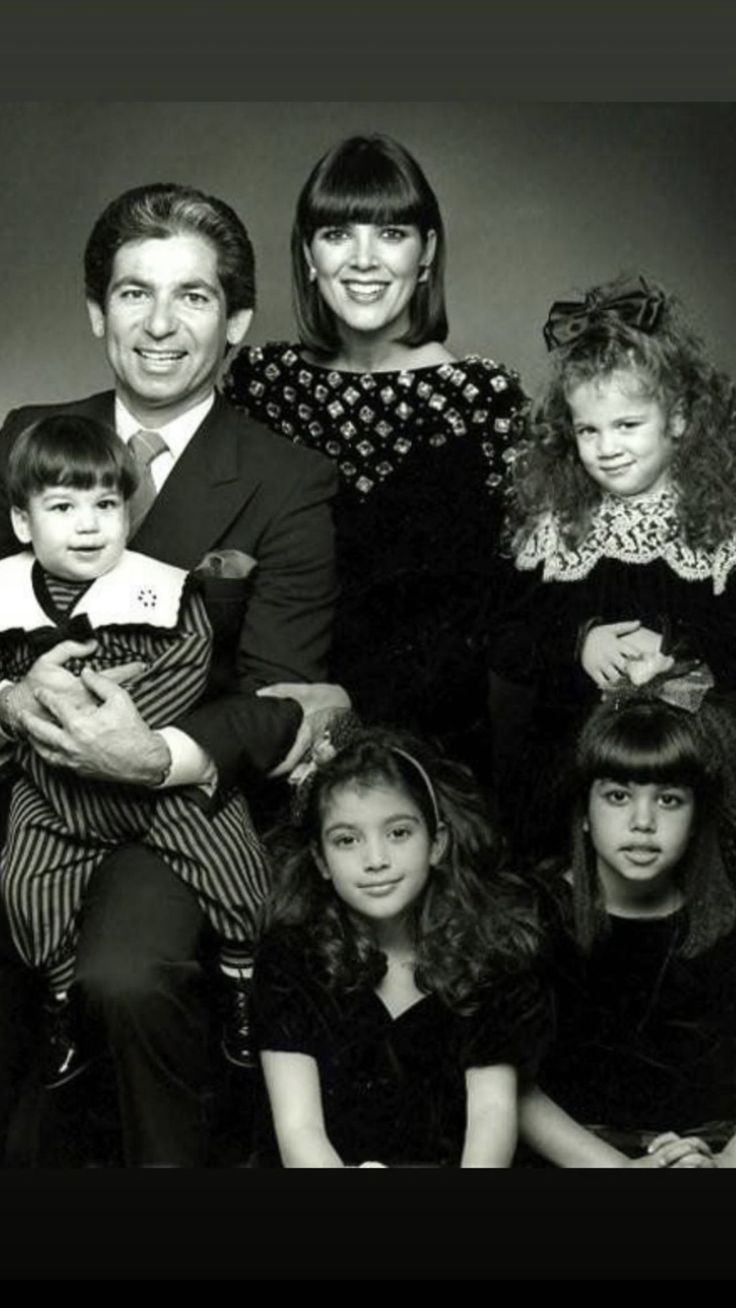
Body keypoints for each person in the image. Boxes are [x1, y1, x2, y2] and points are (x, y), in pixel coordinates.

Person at [0, 181, 342, 1166]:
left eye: (191, 297)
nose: (158, 325)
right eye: (133, 293)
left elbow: (282, 696)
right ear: (97, 310)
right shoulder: (26, 435)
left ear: (235, 319)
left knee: (126, 976)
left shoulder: (285, 479)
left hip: (178, 812)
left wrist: (154, 755)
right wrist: (13, 698)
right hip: (25, 786)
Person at [224, 134, 527, 776]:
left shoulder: (482, 399)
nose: (363, 260)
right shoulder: (258, 382)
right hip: (267, 742)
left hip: (428, 755)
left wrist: (357, 705)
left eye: (391, 234)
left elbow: (500, 617)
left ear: (427, 254)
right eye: (337, 234)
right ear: (308, 254)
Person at [0, 414, 274, 1086]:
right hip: (55, 791)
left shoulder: (161, 587)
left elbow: (189, 661)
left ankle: (242, 983)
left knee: (235, 860)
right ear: (22, 521)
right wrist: (20, 698)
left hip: (157, 788)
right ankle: (60, 999)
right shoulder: (6, 592)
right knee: (23, 883)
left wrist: (114, 728)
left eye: (106, 505)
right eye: (62, 508)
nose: (88, 525)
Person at [488, 274, 736, 858]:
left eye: (627, 425)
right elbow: (509, 639)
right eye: (588, 430)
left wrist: (678, 654)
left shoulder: (719, 523)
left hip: (693, 761)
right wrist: (580, 644)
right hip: (575, 764)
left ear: (676, 419)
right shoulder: (558, 523)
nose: (607, 447)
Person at [251, 726, 550, 1168]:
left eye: (398, 833)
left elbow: (492, 1112)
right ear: (321, 861)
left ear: (437, 842)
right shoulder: (291, 958)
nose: (376, 860)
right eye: (347, 840)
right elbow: (300, 1129)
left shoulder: (487, 953)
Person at [519, 692, 736, 1168]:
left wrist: (720, 1165)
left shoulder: (727, 921)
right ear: (583, 813)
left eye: (669, 799)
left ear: (697, 815)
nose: (643, 822)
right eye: (618, 796)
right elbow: (511, 1087)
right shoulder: (535, 913)